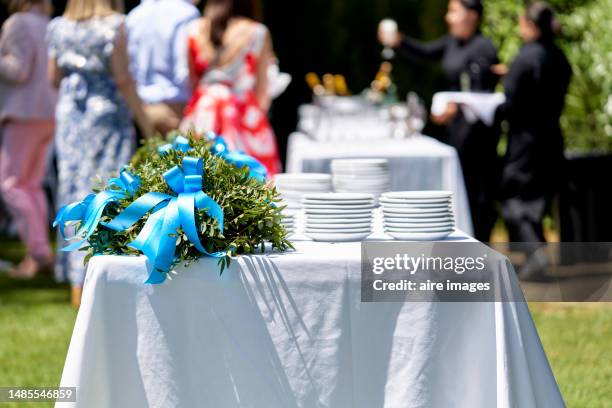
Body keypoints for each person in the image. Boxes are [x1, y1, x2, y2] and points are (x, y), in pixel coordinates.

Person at [47, 0, 152, 306]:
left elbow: (53, 78)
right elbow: (123, 79)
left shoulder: (58, 27)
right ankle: (107, 270)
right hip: (106, 116)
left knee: (73, 189)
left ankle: (76, 284)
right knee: (108, 189)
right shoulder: (114, 25)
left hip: (71, 115)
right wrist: (145, 124)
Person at [379, 0, 501, 242]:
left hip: (477, 135)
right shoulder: (452, 42)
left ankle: (480, 245)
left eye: (454, 11)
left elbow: (483, 90)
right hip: (456, 131)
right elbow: (426, 52)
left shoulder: (483, 47)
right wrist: (399, 41)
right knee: (460, 188)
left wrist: (457, 106)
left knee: (476, 192)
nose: (448, 17)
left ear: (472, 15)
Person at [495, 2, 571, 279]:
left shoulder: (526, 57)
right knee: (536, 200)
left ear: (530, 25)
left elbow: (511, 102)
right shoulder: (558, 56)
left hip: (524, 142)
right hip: (551, 137)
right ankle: (535, 257)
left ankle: (535, 253)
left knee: (512, 194)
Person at [180, 0, 282, 175]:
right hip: (243, 114)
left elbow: (192, 83)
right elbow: (262, 91)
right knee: (253, 182)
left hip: (202, 114)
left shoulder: (193, 29)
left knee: (194, 178)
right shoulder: (257, 32)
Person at [0, 0, 57, 278]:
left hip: (23, 114)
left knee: (10, 185)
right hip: (47, 113)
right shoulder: (48, 25)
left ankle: (38, 252)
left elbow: (17, 70)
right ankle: (38, 254)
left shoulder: (17, 23)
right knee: (31, 186)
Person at [126, 0, 200, 135]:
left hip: (143, 109)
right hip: (176, 109)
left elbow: (131, 68)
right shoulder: (186, 13)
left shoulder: (135, 15)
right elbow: (185, 70)